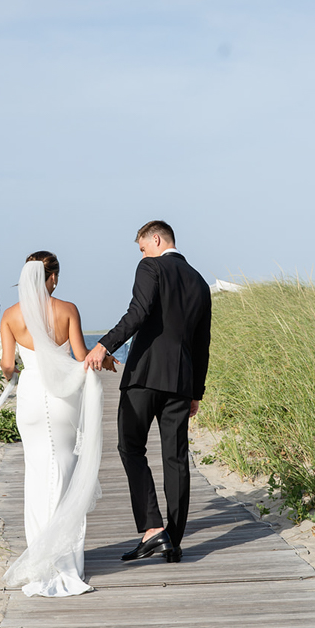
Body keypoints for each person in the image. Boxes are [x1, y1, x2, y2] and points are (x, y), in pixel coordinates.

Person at [84, 221, 212, 564]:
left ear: (156, 240)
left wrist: (103, 345)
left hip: (145, 376)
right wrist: (195, 390)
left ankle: (153, 528)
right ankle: (174, 539)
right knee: (176, 458)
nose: (141, 254)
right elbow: (202, 344)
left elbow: (137, 313)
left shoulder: (151, 266)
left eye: (142, 247)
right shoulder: (200, 282)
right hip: (181, 383)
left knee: (130, 447)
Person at [0, 252, 116, 597]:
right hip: (61, 397)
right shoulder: (66, 310)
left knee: (37, 473)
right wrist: (107, 360)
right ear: (51, 278)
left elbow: (8, 366)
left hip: (31, 397)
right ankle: (64, 560)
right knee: (64, 469)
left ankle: (40, 556)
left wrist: (20, 370)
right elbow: (81, 358)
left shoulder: (10, 316)